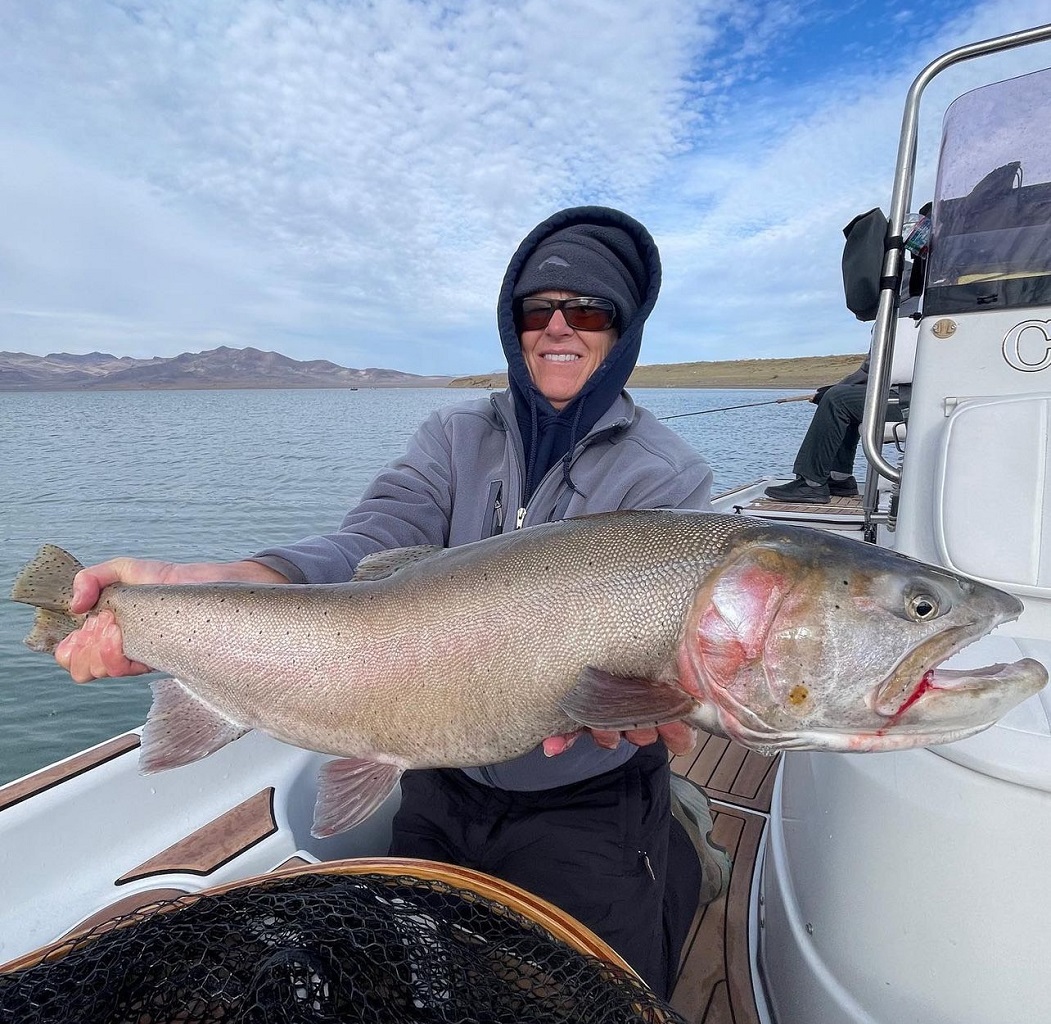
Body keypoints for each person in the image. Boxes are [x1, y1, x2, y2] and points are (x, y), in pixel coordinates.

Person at [53, 206, 717, 999]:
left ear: (624, 328)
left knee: (588, 993)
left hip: (586, 799)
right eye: (536, 310)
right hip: (434, 778)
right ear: (512, 325)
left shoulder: (667, 479)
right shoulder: (450, 436)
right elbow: (368, 543)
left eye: (588, 310)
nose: (558, 328)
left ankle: (678, 842)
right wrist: (240, 579)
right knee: (415, 979)